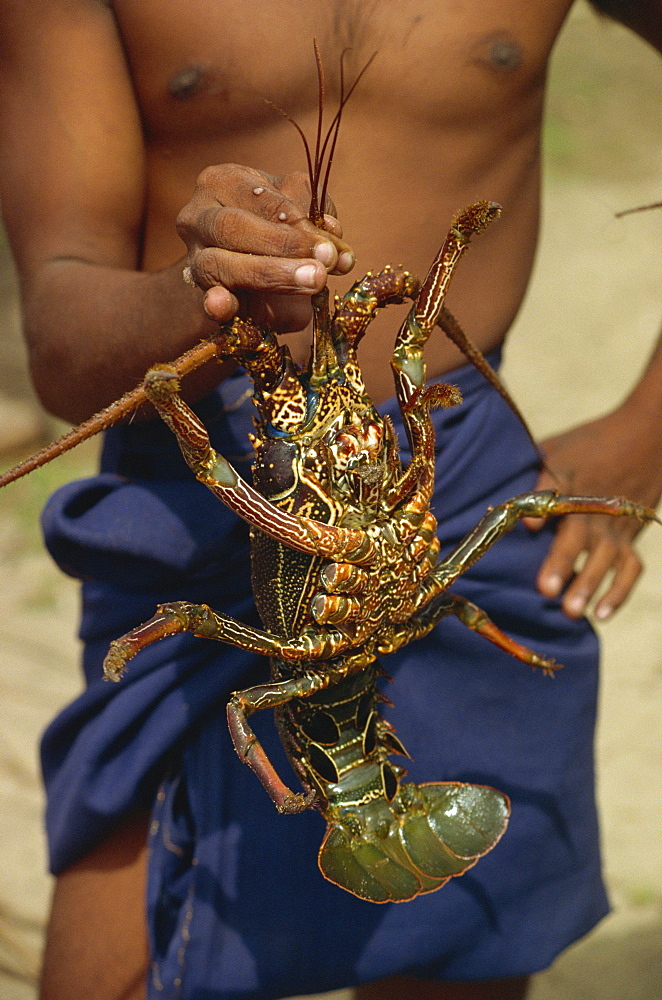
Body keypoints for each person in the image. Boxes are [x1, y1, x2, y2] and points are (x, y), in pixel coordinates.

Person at [0, 2, 660, 999]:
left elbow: (407, 342)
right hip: (203, 504)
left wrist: (645, 430)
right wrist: (195, 294)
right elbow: (57, 330)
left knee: (460, 958)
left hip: (452, 478)